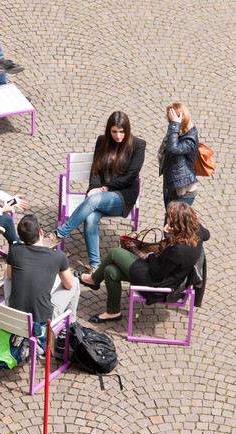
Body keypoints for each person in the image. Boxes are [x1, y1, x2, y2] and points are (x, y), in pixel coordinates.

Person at [75, 202, 210, 323]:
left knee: (115, 253)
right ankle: (113, 311)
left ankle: (93, 280)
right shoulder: (196, 230)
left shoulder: (178, 250)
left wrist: (150, 255)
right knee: (110, 271)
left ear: (177, 224)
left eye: (169, 219)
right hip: (165, 275)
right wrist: (173, 233)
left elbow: (157, 274)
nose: (166, 221)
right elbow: (207, 234)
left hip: (157, 284)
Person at [44, 111, 146, 272]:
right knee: (90, 218)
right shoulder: (102, 141)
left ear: (127, 130)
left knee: (93, 201)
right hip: (99, 195)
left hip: (123, 196)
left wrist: (103, 189)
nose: (118, 136)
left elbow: (130, 176)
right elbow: (96, 170)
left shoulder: (138, 145)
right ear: (108, 130)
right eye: (114, 132)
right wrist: (93, 189)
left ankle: (58, 235)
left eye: (121, 132)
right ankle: (95, 265)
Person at [5, 214, 80, 351]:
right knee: (75, 282)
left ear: (20, 238)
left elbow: (10, 276)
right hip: (43, 319)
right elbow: (68, 285)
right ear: (41, 233)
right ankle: (68, 330)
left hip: (15, 315)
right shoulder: (58, 256)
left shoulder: (15, 251)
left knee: (8, 271)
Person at [159, 102, 199, 216]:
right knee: (168, 223)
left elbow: (173, 149)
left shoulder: (190, 138)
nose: (169, 121)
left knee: (172, 228)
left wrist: (174, 125)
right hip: (171, 187)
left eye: (171, 119)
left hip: (183, 191)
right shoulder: (178, 132)